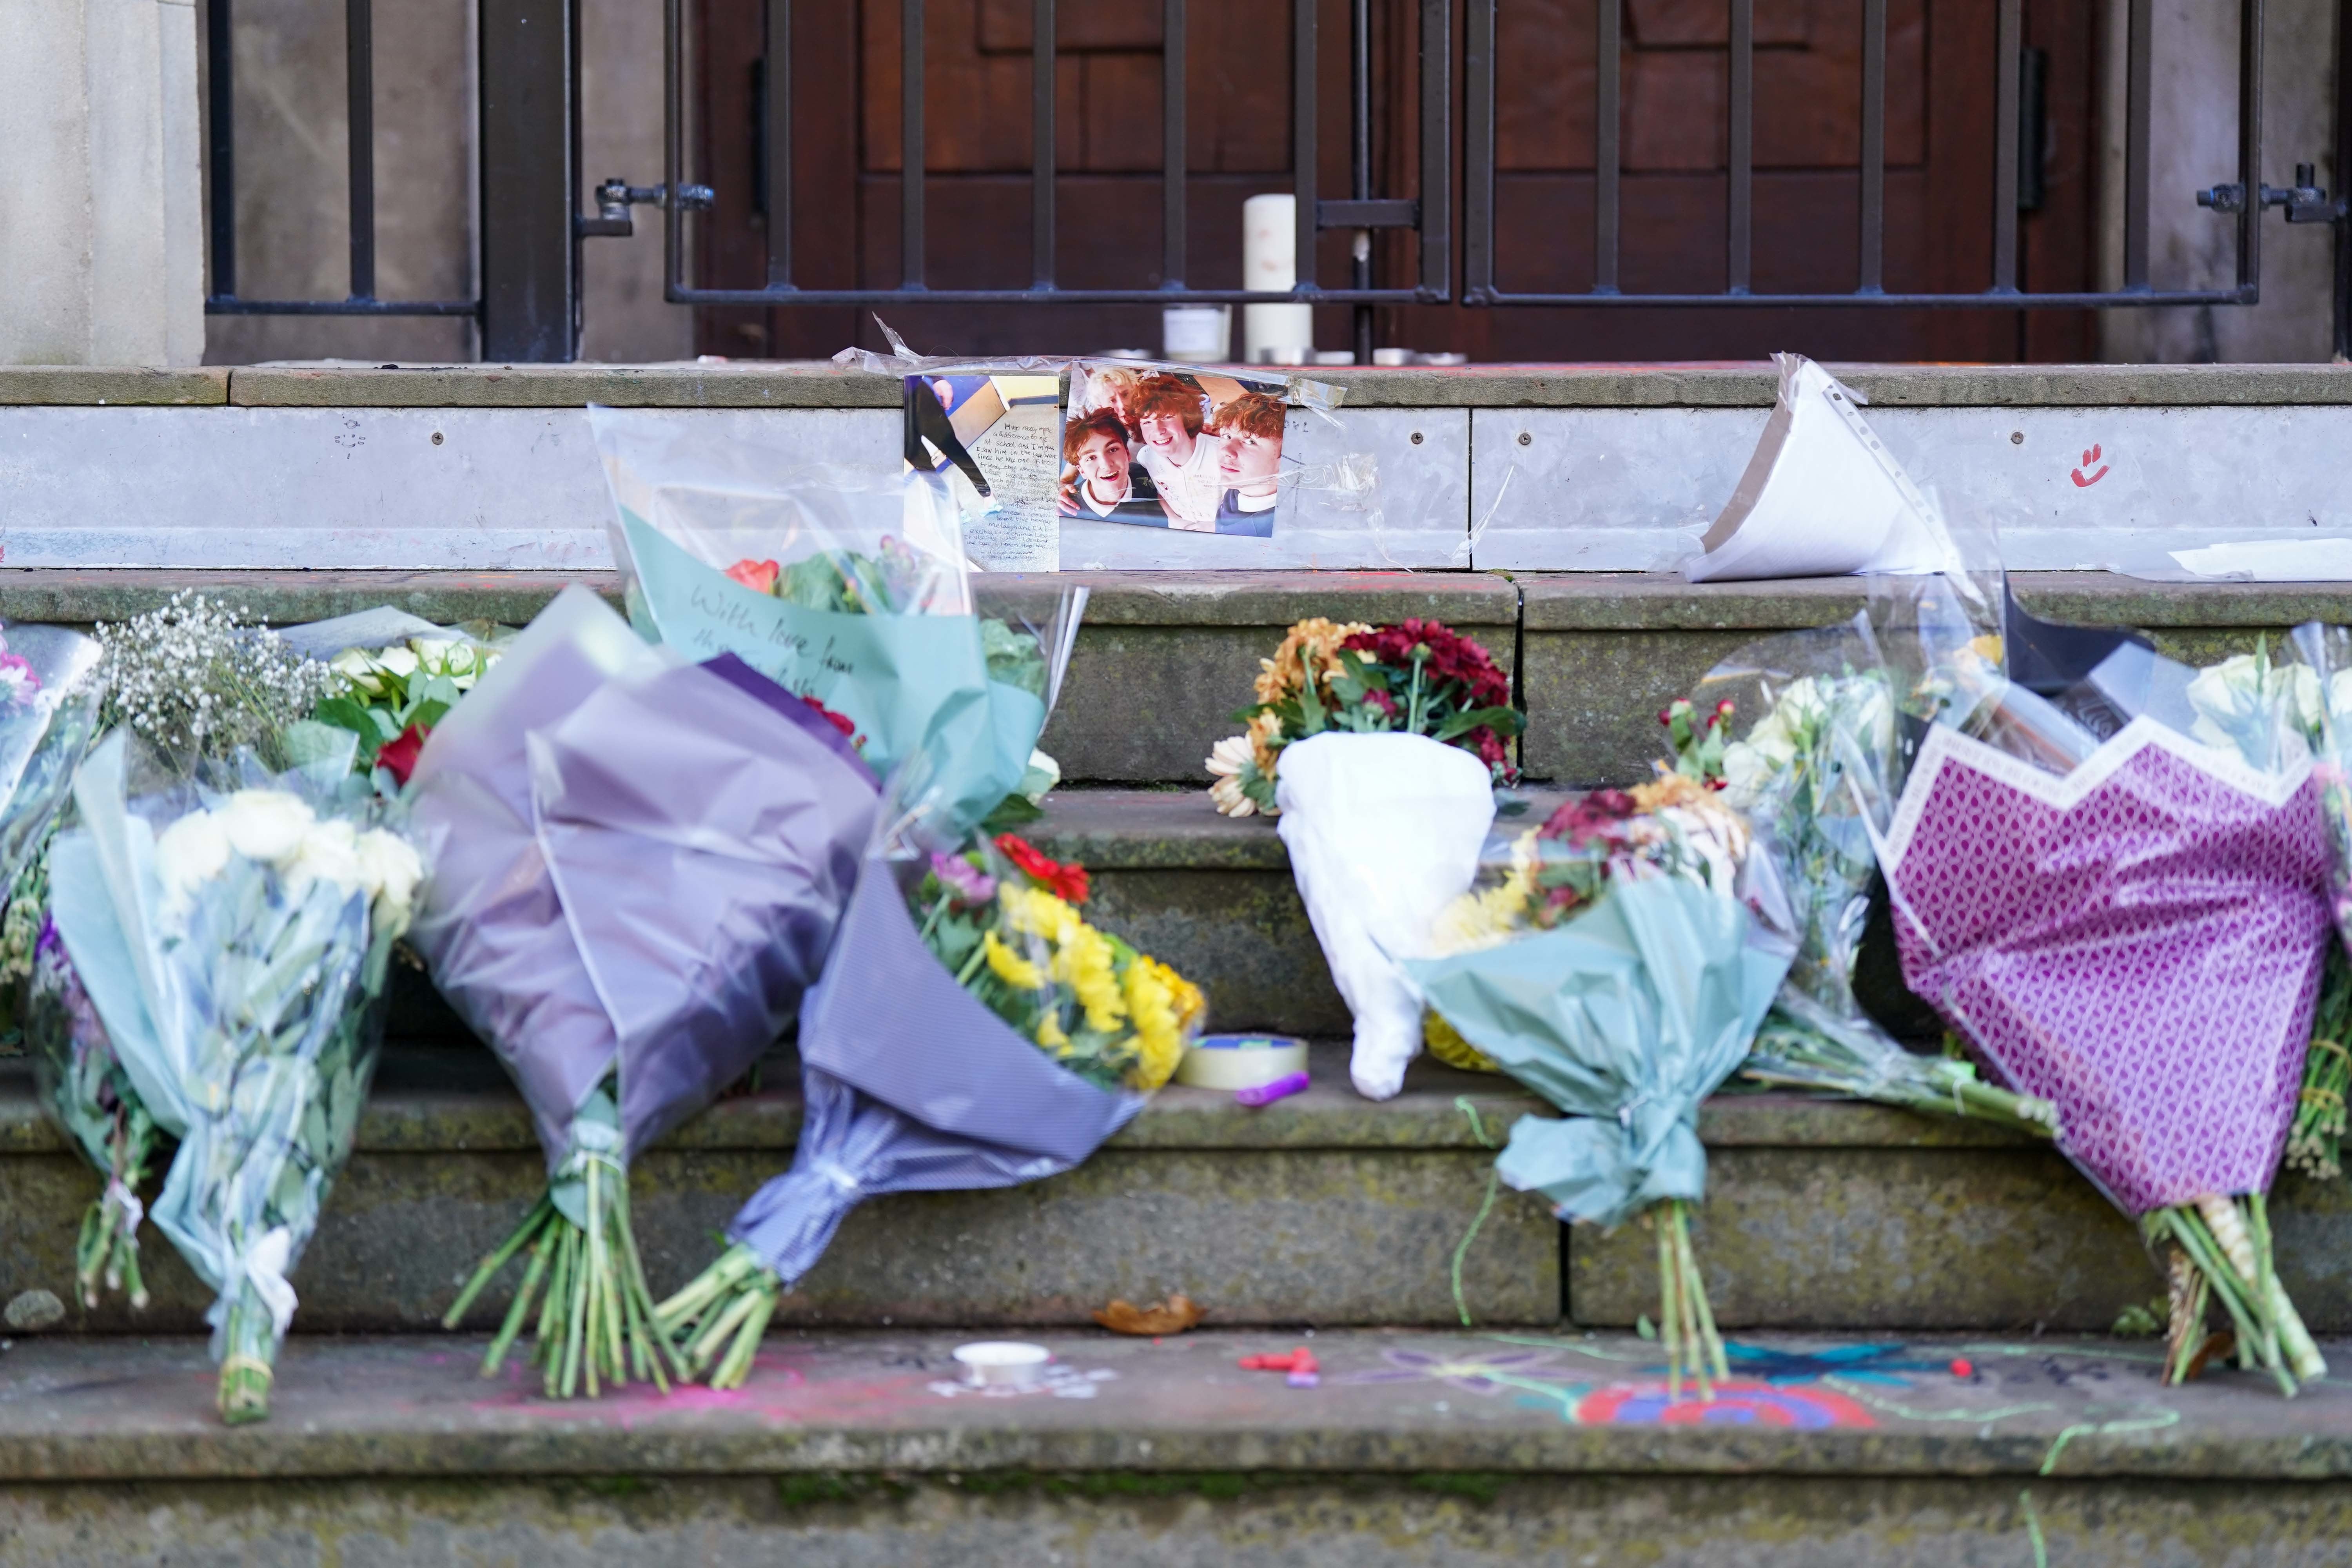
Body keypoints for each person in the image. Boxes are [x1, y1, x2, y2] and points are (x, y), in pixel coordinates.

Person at [1127, 374, 1221, 530]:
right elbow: (1162, 491)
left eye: (1167, 417)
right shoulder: (1147, 457)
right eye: (1147, 422)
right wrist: (1173, 518)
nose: (1158, 431)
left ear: (1187, 418)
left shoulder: (1222, 455)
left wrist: (1217, 528)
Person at [1057, 410, 1163, 522]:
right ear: (1082, 470)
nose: (1106, 465)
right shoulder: (1068, 511)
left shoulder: (1150, 477)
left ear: (1127, 453)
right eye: (1091, 458)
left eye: (1113, 450)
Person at [1207, 391, 1286, 536]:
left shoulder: (1278, 529)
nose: (1227, 451)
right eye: (1227, 436)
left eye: (1251, 441)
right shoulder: (1239, 491)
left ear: (1286, 459)